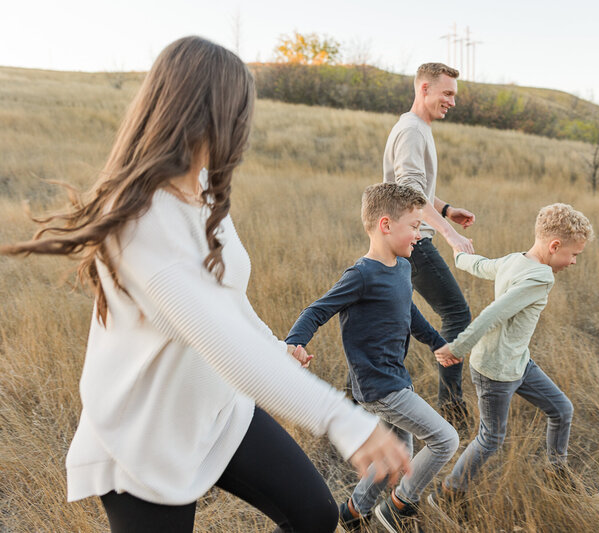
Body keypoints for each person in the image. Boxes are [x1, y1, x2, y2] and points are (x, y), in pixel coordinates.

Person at [0, 36, 410, 533]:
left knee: (315, 515)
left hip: (217, 411)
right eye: (240, 112)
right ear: (209, 112)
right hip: (145, 442)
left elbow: (226, 302)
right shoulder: (140, 221)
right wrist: (344, 420)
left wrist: (274, 348)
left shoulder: (203, 190)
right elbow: (220, 341)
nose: (245, 127)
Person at [286, 183, 460, 533]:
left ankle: (353, 512)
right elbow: (317, 310)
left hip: (396, 377)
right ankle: (398, 506)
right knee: (446, 439)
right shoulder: (362, 275)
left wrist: (438, 342)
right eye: (414, 226)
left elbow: (410, 314)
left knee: (396, 451)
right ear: (385, 225)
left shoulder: (401, 268)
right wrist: (295, 343)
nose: (419, 234)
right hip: (379, 385)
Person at [429, 203, 594, 514]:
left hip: (519, 363)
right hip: (495, 371)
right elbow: (494, 313)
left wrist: (459, 251)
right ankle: (448, 494)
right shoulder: (541, 277)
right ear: (554, 245)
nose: (573, 262)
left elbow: (476, 265)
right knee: (490, 439)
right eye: (574, 255)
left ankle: (556, 472)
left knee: (561, 409)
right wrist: (458, 347)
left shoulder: (513, 261)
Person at [383, 62, 475, 427]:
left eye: (454, 95)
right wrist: (450, 236)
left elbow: (418, 191)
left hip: (400, 237)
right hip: (412, 241)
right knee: (457, 313)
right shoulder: (412, 131)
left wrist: (447, 210)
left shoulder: (417, 128)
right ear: (424, 88)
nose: (452, 101)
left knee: (391, 320)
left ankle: (356, 398)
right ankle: (452, 409)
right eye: (447, 93)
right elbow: (408, 193)